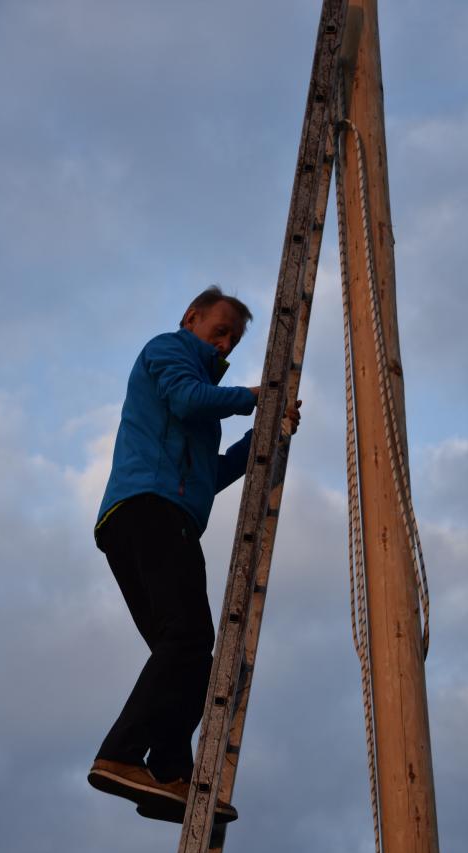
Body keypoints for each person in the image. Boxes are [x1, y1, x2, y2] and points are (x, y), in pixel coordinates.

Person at [88, 286, 300, 823]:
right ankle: (120, 754)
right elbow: (185, 398)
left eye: (233, 340)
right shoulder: (169, 350)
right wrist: (258, 396)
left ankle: (168, 773)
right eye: (220, 330)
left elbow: (211, 474)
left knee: (188, 657)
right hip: (150, 510)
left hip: (150, 518)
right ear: (191, 318)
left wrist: (266, 434)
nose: (225, 344)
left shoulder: (205, 403)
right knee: (187, 640)